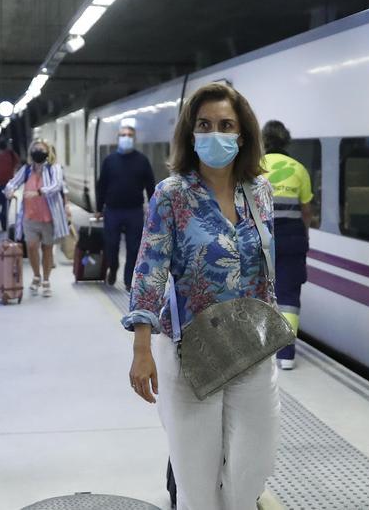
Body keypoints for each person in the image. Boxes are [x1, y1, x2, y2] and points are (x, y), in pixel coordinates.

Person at [125, 83, 278, 510]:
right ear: (191, 136)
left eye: (226, 125)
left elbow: (266, 272)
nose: (216, 134)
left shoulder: (260, 193)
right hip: (189, 354)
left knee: (252, 468)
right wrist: (142, 347)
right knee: (196, 482)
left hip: (251, 350)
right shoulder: (172, 196)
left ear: (242, 134)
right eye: (205, 125)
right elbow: (150, 270)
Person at [261, 120, 315, 370]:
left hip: (262, 238)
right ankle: (286, 355)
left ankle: (261, 348)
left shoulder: (256, 167)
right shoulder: (299, 169)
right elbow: (306, 211)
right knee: (289, 296)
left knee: (259, 292)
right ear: (286, 141)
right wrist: (304, 237)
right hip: (293, 238)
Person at [95, 119, 156, 289]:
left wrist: (153, 209)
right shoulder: (109, 161)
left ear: (134, 138)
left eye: (129, 135)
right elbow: (102, 185)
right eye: (123, 135)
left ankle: (129, 280)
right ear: (118, 138)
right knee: (111, 245)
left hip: (134, 211)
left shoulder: (142, 161)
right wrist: (99, 209)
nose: (126, 138)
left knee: (134, 248)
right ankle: (113, 268)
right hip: (112, 210)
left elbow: (151, 186)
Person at [3, 139, 69, 298]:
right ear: (31, 153)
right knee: (32, 247)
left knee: (47, 249)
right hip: (29, 217)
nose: (38, 152)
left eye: (41, 149)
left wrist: (39, 192)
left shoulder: (54, 168)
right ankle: (36, 276)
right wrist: (9, 191)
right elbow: (12, 183)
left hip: (49, 218)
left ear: (47, 152)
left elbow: (57, 185)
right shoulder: (26, 170)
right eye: (35, 149)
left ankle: (46, 280)